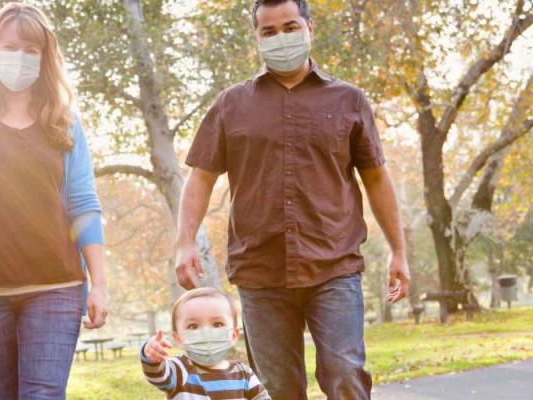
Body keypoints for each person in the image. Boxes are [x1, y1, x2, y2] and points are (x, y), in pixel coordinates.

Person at [174, 0, 410, 398]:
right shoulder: (231, 104)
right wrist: (184, 242)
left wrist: (398, 251)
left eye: (289, 27)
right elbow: (200, 178)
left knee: (344, 373)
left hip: (334, 263)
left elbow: (376, 178)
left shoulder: (348, 101)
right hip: (259, 269)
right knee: (278, 388)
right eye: (268, 31)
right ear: (257, 38)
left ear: (309, 28)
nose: (280, 38)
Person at [0, 3, 108, 399]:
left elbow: (84, 205)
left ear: (45, 60)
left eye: (31, 51)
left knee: (41, 395)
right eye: (10, 48)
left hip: (57, 287)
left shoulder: (64, 125)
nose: (20, 59)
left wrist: (100, 284)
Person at [141, 288, 269, 399]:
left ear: (234, 336)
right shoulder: (179, 370)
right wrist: (151, 355)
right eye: (193, 326)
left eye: (218, 324)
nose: (206, 333)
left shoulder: (243, 374)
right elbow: (157, 374)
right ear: (178, 338)